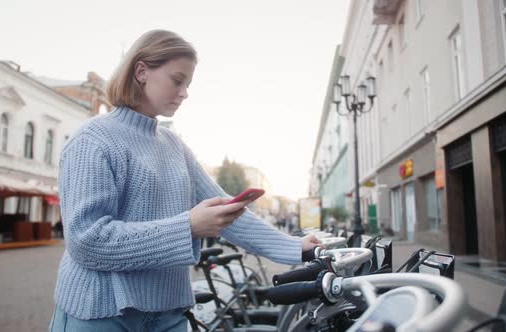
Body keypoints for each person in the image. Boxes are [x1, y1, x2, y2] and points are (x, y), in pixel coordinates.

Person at [49, 30, 322, 332]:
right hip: (102, 314)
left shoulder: (174, 145)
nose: (185, 92)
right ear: (141, 71)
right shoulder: (93, 139)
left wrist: (297, 248)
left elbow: (229, 213)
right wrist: (188, 226)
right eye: (177, 80)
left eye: (188, 84)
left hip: (169, 313)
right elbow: (87, 241)